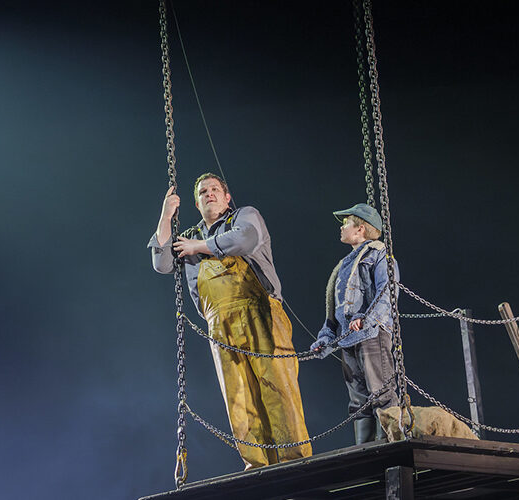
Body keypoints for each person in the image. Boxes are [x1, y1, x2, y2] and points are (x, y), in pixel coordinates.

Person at [149, 173, 311, 469]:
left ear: (226, 197)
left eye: (214, 189)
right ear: (196, 203)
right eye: (201, 192)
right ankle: (257, 464)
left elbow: (244, 240)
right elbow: (162, 264)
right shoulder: (188, 235)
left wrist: (197, 248)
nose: (208, 194)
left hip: (261, 311)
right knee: (238, 397)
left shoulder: (243, 216)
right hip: (219, 323)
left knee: (276, 387)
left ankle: (295, 462)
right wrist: (165, 215)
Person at [309, 203, 400, 444]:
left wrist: (367, 318)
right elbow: (334, 310)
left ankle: (389, 447)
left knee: (380, 392)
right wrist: (325, 339)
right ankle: (366, 451)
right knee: (359, 402)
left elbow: (387, 291)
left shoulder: (379, 254)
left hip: (371, 335)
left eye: (345, 223)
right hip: (349, 339)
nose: (342, 228)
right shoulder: (343, 265)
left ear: (360, 229)